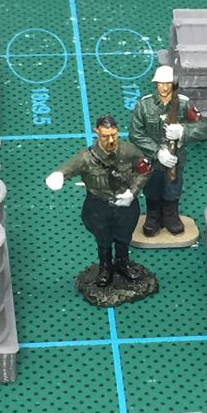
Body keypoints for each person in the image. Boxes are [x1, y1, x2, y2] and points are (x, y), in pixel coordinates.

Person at [45, 116, 150, 286]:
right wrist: (58, 175)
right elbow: (67, 169)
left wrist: (133, 192)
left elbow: (144, 170)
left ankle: (123, 262)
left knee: (124, 236)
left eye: (114, 135)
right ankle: (105, 267)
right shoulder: (86, 158)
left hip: (125, 204)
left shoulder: (129, 151)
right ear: (97, 133)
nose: (111, 140)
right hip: (98, 206)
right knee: (103, 239)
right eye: (105, 136)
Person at [127, 65, 207, 236]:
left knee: (173, 189)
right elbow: (135, 134)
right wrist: (157, 152)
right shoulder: (144, 105)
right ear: (155, 84)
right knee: (151, 188)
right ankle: (153, 217)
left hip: (175, 160)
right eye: (160, 84)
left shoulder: (184, 104)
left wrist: (183, 131)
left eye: (168, 83)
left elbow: (203, 129)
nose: (164, 88)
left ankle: (171, 216)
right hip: (151, 160)